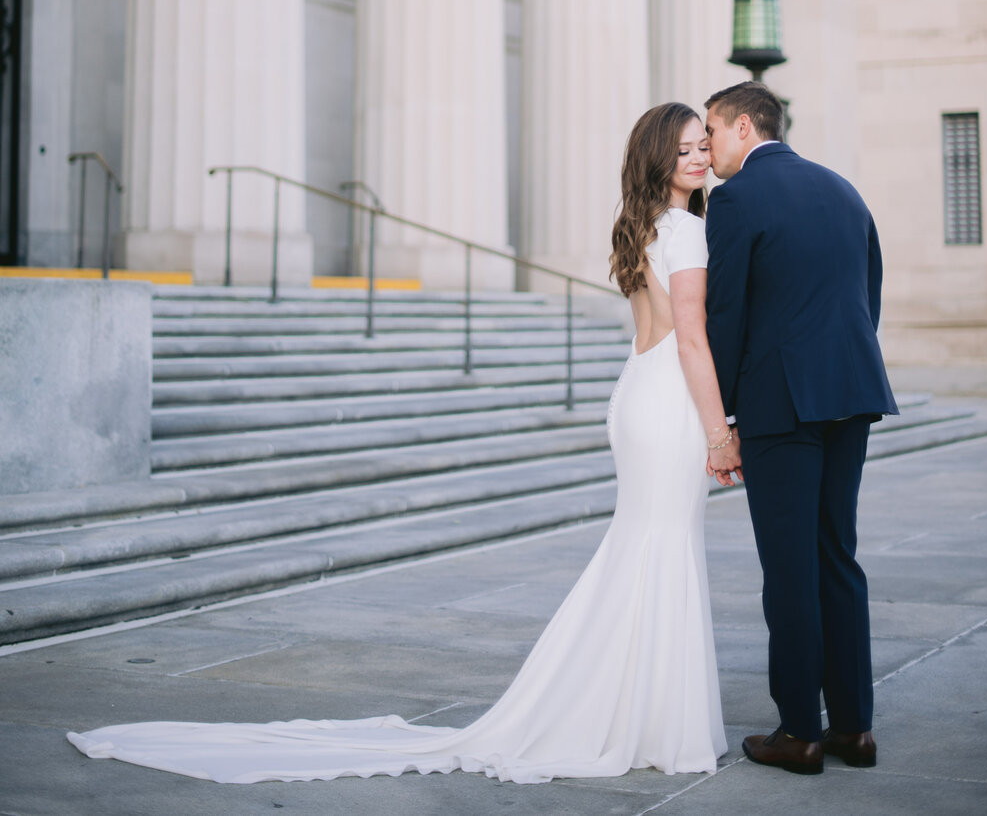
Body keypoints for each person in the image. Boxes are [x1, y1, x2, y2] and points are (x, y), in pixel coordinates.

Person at [67, 103, 731, 785]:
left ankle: (632, 711)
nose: (699, 159)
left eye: (701, 147)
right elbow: (690, 337)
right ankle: (639, 718)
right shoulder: (685, 232)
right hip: (666, 400)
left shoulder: (645, 225)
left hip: (637, 394)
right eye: (684, 150)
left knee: (646, 549)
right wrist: (719, 431)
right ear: (658, 158)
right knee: (661, 548)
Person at [703, 82, 898, 777]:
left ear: (746, 128)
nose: (708, 147)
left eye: (713, 132)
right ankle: (854, 728)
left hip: (779, 402)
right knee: (836, 558)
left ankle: (799, 732)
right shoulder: (842, 188)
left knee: (789, 569)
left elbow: (723, 312)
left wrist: (721, 413)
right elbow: (868, 289)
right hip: (850, 389)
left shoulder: (734, 199)